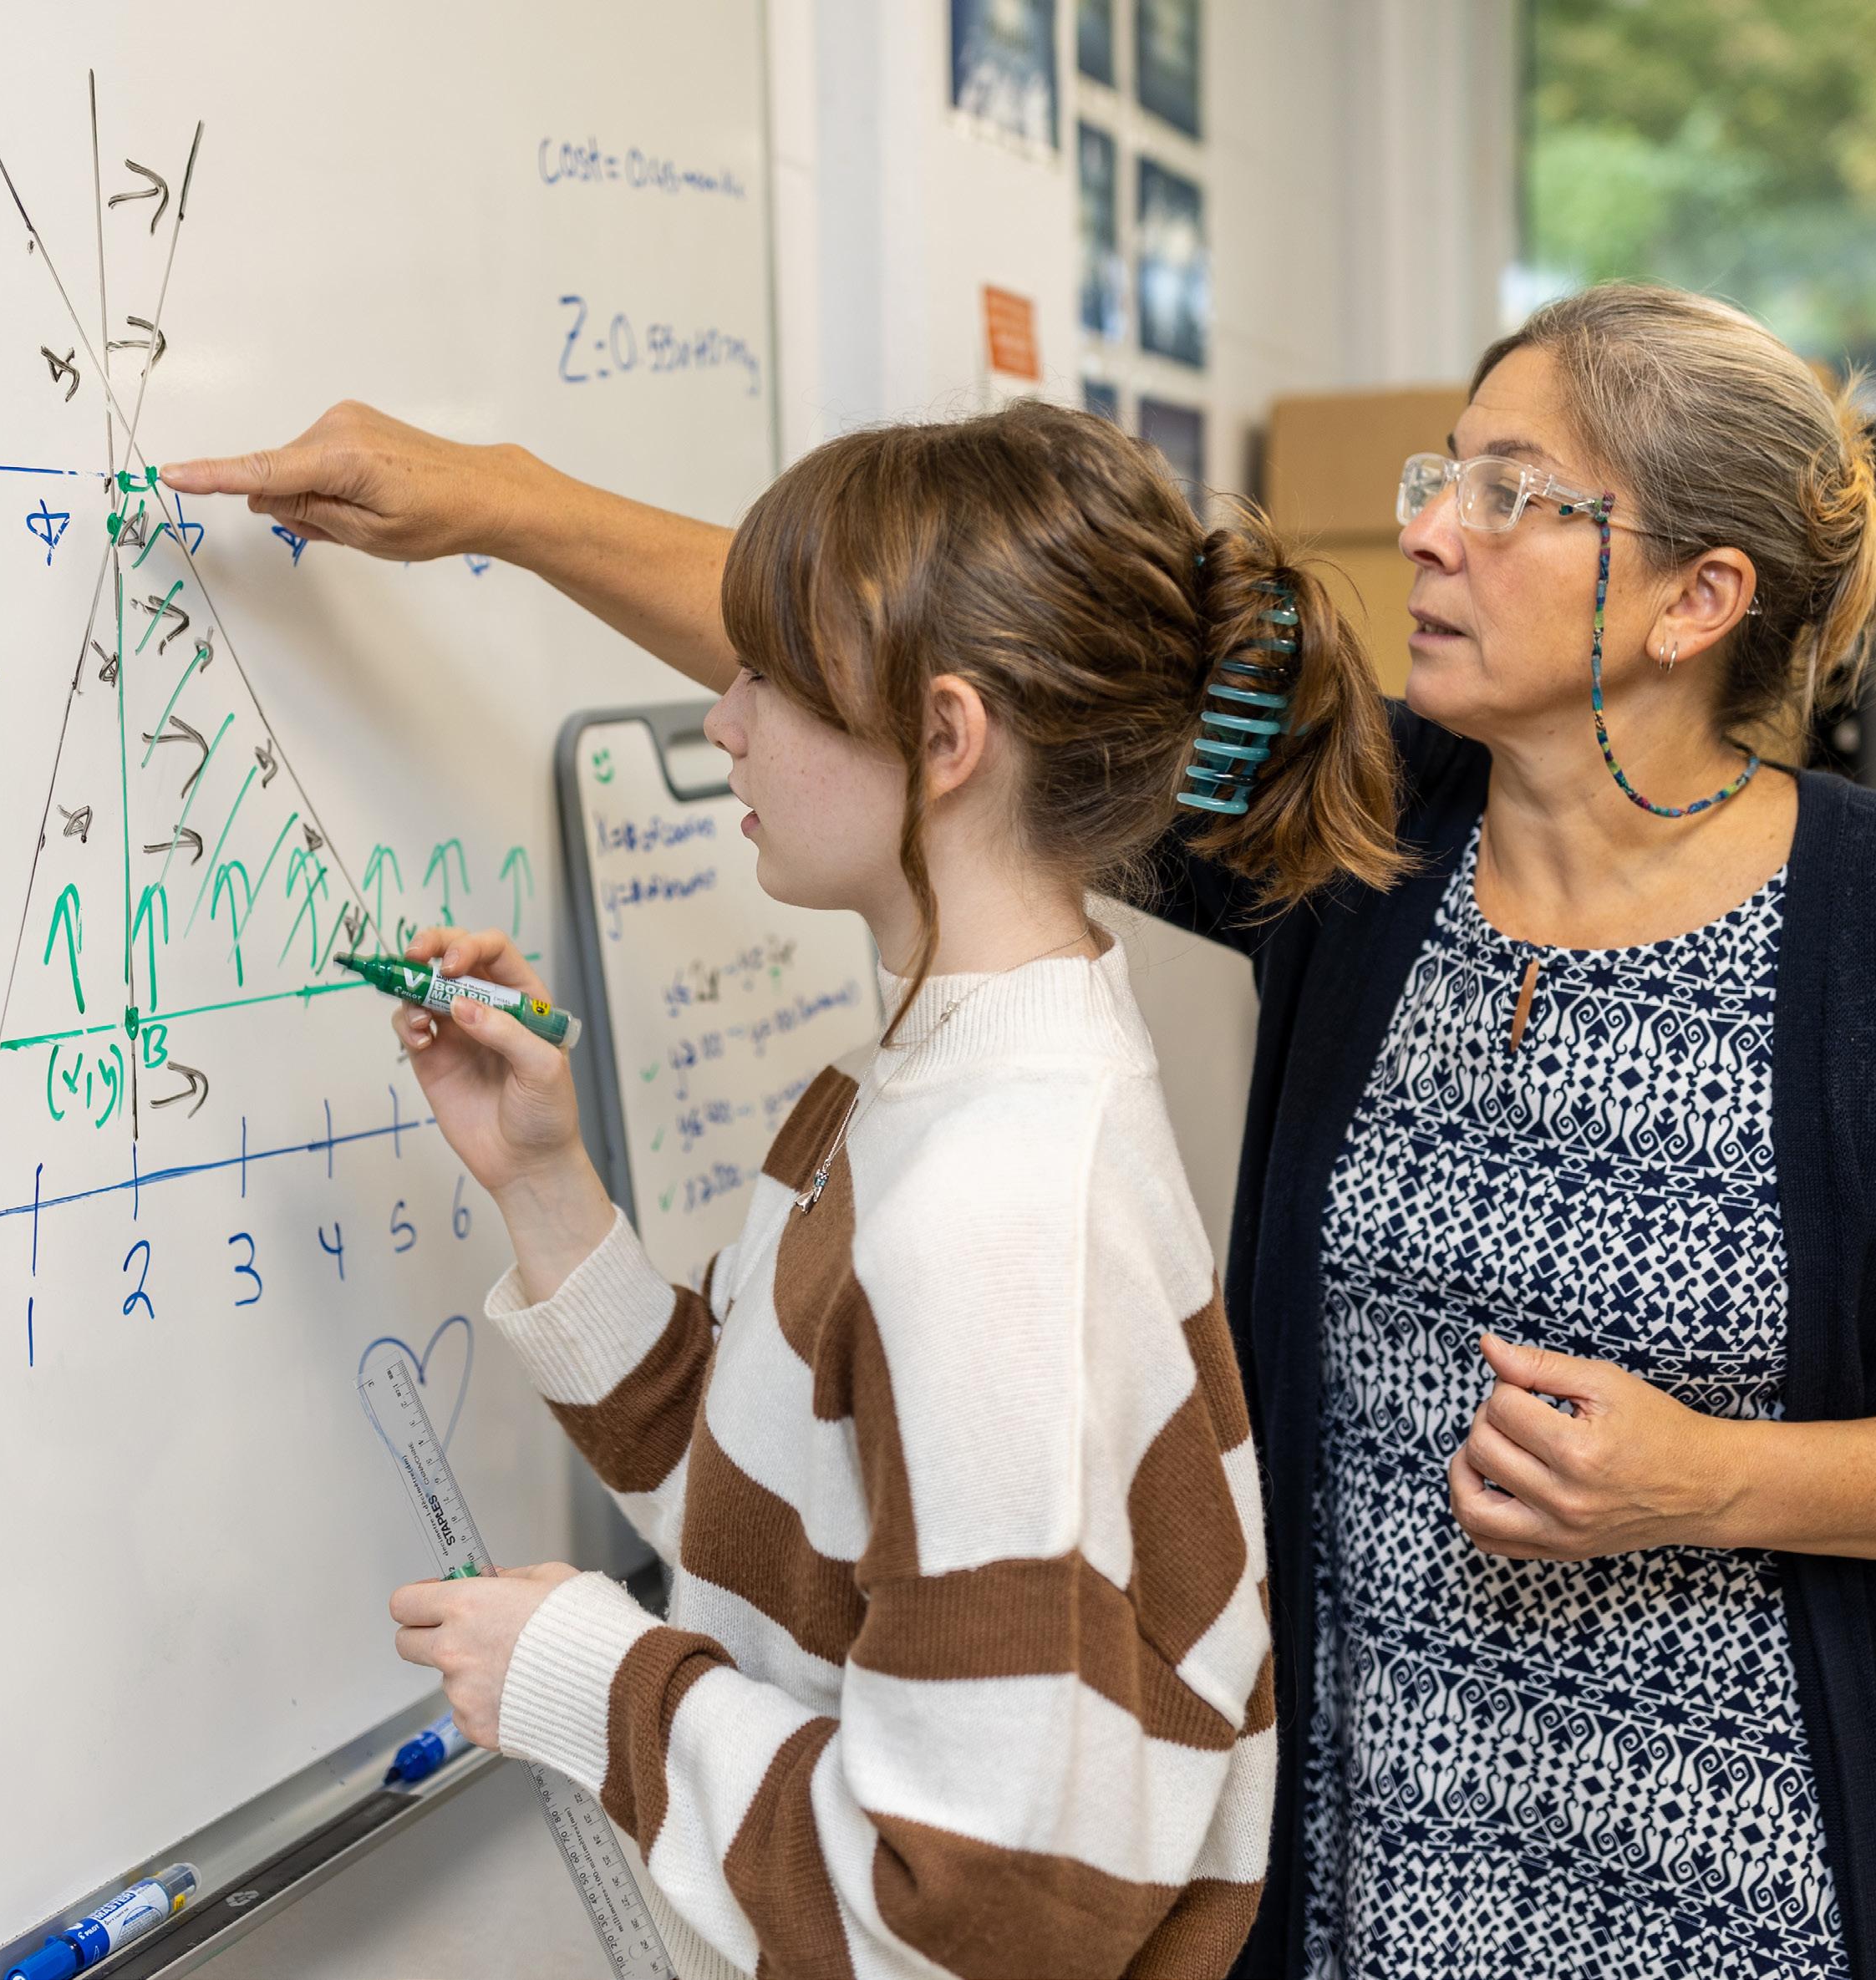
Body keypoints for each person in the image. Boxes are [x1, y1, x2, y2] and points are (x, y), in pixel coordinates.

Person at [165, 282, 1876, 1980]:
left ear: (1693, 600)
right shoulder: (1363, 844)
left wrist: (1725, 1479)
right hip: (1358, 1876)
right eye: (1441, 473)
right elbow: (919, 658)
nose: (1426, 526)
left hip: (1746, 1882)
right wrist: (498, 504)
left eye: (1511, 496)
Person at [275, 402, 1405, 1980]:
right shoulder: (938, 1089)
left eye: (766, 681)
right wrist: (545, 1183)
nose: (720, 724)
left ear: (945, 741)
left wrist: (594, 1680)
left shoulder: (995, 1215)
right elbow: (773, 1514)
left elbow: (976, 1913)